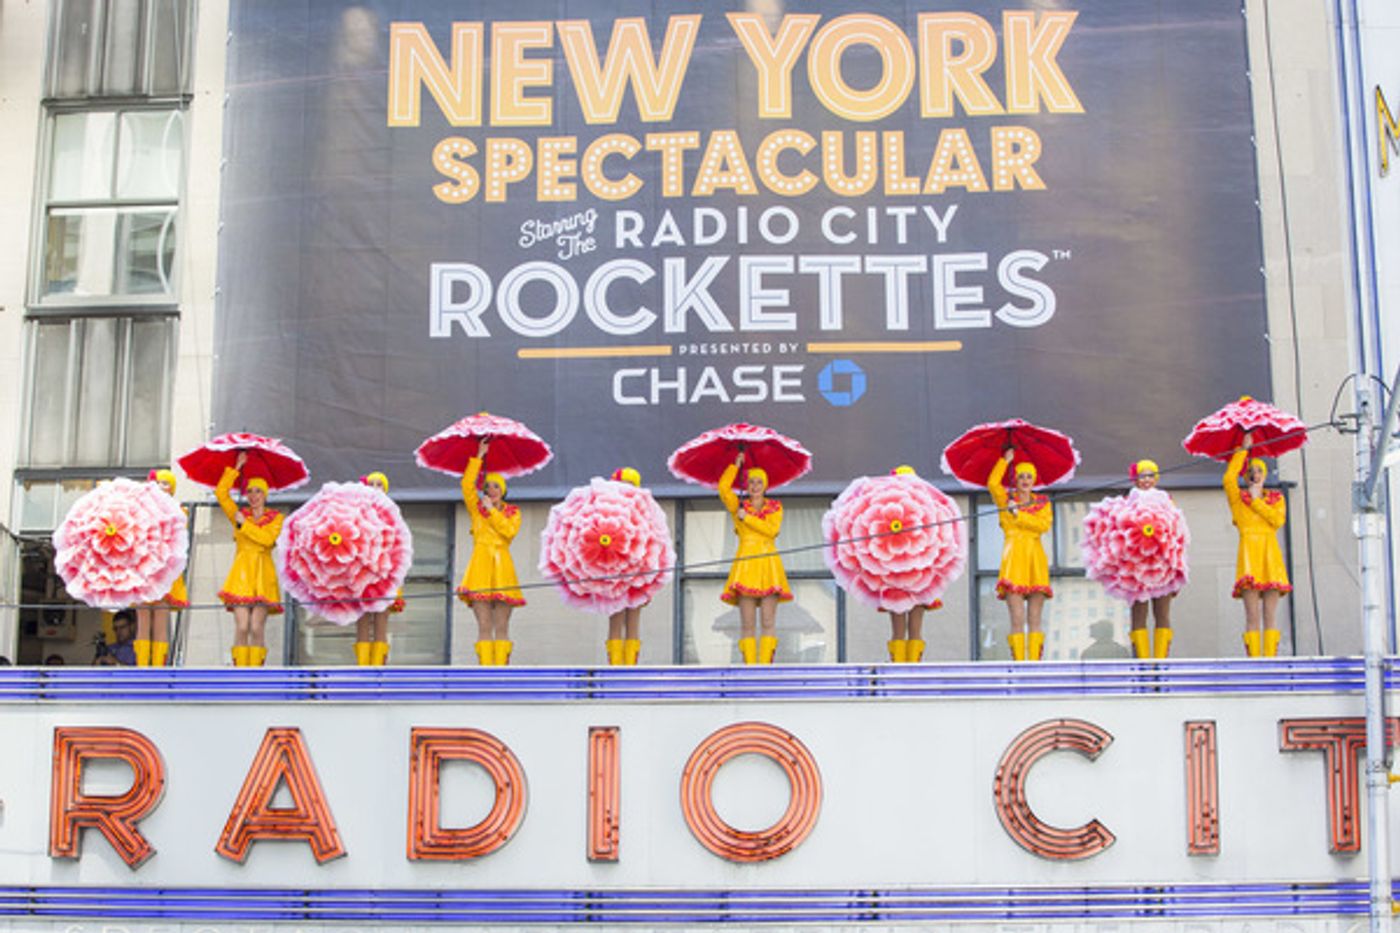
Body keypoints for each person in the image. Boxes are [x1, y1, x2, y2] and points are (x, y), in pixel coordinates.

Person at [718, 452, 792, 664]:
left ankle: (766, 669)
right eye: (751, 482)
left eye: (759, 482)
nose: (755, 486)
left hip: (769, 565)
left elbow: (771, 530)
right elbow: (723, 490)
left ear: (765, 485)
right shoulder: (738, 506)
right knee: (747, 623)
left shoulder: (775, 508)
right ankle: (749, 668)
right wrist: (735, 465)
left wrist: (747, 518)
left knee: (768, 621)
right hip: (746, 566)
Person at [458, 438, 524, 666]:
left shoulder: (512, 512)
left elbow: (508, 532)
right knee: (484, 626)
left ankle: (503, 672)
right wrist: (479, 456)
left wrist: (492, 512)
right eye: (487, 486)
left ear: (503, 490)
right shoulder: (477, 511)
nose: (491, 490)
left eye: (496, 486)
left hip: (503, 568)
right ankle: (485, 672)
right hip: (480, 568)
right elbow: (467, 486)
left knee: (502, 626)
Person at [215, 451, 285, 666]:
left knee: (257, 627)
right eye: (250, 491)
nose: (254, 495)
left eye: (258, 491)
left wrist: (243, 525)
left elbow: (266, 540)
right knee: (242, 626)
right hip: (242, 576)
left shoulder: (276, 519)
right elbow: (221, 493)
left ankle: (257, 674)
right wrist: (237, 468)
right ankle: (238, 673)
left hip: (263, 577)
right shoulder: (239, 514)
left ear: (265, 495)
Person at [1225, 431, 1290, 657]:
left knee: (1270, 615)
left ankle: (1271, 661)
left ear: (1265, 474)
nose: (1255, 475)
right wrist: (1243, 449)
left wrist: (1256, 500)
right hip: (1249, 557)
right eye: (1251, 472)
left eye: (1259, 471)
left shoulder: (1276, 499)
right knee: (1252, 615)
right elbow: (1228, 479)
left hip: (1270, 556)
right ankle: (1254, 662)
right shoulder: (1238, 500)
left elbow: (1278, 520)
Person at [988, 449, 1053, 661]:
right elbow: (992, 484)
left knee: (1035, 616)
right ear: (1015, 479)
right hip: (1014, 557)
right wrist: (1004, 461)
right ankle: (1019, 664)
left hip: (1035, 558)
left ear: (1034, 480)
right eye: (1021, 476)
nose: (1025, 480)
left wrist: (1019, 514)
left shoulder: (1043, 502)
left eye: (1029, 476)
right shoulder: (1005, 499)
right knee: (1016, 616)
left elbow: (1043, 525)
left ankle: (1035, 665)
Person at [882, 467, 941, 663]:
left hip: (918, 567)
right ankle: (897, 666)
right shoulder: (885, 509)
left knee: (916, 624)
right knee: (898, 625)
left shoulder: (926, 507)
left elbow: (934, 535)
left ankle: (914, 666)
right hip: (895, 569)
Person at [135, 468, 188, 667]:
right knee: (143, 619)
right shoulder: (141, 513)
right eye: (157, 483)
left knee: (160, 620)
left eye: (165, 483)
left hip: (165, 571)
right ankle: (141, 667)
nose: (161, 487)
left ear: (172, 488)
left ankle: (158, 667)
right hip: (145, 569)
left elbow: (177, 537)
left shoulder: (180, 511)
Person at [1126, 459, 1179, 659]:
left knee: (1162, 613)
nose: (1146, 480)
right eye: (1142, 476)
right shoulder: (1129, 501)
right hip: (1137, 564)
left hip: (1161, 563)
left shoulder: (1166, 499)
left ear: (1156, 478)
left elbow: (1176, 530)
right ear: (1135, 479)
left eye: (1150, 475)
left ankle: (1161, 665)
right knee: (1139, 614)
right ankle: (1142, 665)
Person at [353, 471, 400, 666]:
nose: (375, 488)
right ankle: (363, 672)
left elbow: (399, 547)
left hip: (383, 573)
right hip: (363, 573)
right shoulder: (358, 514)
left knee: (381, 624)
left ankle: (380, 672)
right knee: (363, 623)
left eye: (379, 484)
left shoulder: (393, 516)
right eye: (371, 484)